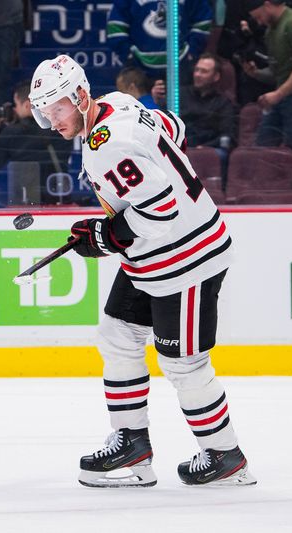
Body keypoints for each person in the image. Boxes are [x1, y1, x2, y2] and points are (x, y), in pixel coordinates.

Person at [28, 54, 255, 488]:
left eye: (56, 107)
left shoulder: (108, 145)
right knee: (117, 335)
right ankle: (132, 446)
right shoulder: (118, 103)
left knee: (183, 363)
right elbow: (174, 129)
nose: (50, 119)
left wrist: (107, 235)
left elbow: (163, 209)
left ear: (78, 96)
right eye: (44, 111)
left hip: (188, 259)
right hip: (152, 258)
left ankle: (226, 455)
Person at [244, 0, 292, 154]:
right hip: (283, 98)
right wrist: (256, 73)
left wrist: (278, 94)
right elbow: (277, 72)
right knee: (263, 147)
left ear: (267, 5)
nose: (258, 21)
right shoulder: (271, 31)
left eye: (258, 16)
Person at [0, 79, 72, 203]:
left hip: (24, 199)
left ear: (27, 105)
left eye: (16, 105)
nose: (14, 110)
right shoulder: (60, 129)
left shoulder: (12, 133)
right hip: (57, 197)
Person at [107, 0, 212, 80]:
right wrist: (129, 55)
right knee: (139, 107)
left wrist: (191, 52)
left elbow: (203, 22)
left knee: (180, 107)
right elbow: (115, 26)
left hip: (181, 68)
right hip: (139, 70)